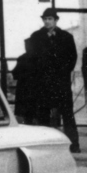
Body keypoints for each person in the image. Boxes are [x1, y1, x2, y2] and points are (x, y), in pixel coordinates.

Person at [22, 8, 79, 152]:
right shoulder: (36, 37)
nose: (47, 22)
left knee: (67, 114)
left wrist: (63, 73)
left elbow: (72, 57)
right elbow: (31, 59)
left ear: (56, 20)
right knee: (43, 114)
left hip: (61, 82)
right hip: (43, 83)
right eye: (45, 19)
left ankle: (74, 145)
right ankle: (46, 146)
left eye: (50, 19)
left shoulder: (66, 37)